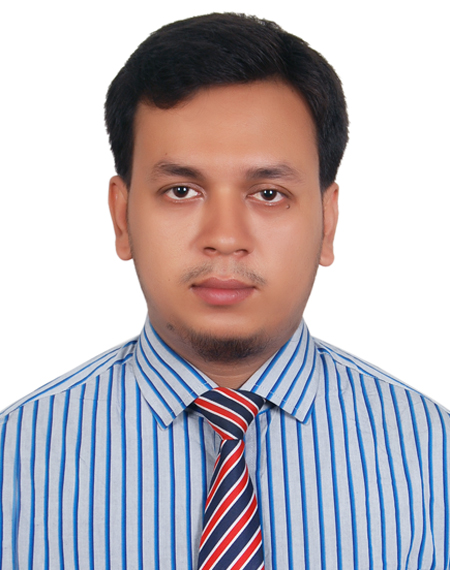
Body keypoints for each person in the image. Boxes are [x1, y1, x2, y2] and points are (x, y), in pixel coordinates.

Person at [0, 12, 448, 570]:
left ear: (328, 221)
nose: (226, 238)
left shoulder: (434, 456)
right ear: (122, 217)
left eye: (268, 194)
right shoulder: (14, 459)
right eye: (181, 190)